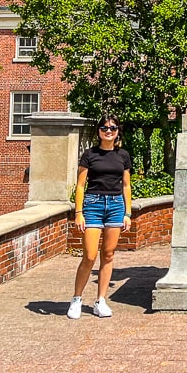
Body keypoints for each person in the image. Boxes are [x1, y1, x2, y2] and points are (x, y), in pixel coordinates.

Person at [67, 115, 133, 320]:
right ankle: (76, 299)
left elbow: (126, 185)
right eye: (104, 127)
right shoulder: (89, 155)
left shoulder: (123, 155)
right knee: (89, 255)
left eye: (112, 128)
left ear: (117, 131)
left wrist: (127, 213)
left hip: (115, 205)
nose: (108, 131)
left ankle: (100, 300)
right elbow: (80, 186)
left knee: (109, 254)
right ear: (99, 131)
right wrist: (78, 213)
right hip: (93, 205)